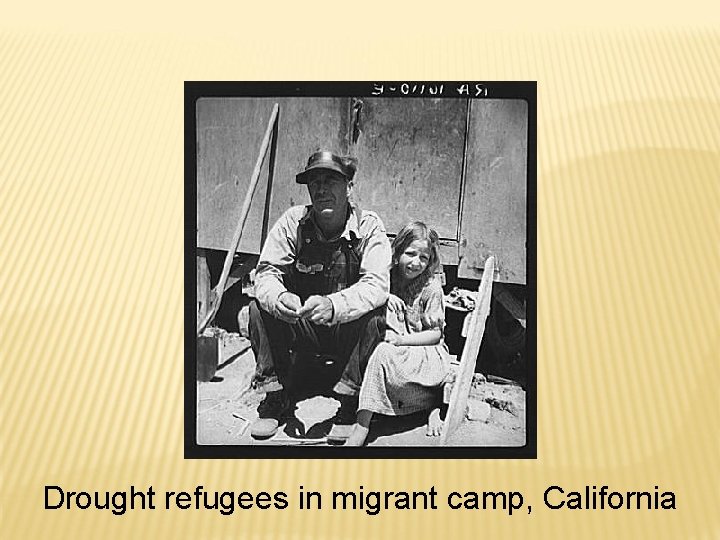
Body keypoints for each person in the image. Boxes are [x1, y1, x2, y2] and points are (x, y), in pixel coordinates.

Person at [246, 151, 391, 438]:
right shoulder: (293, 222)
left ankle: (351, 400)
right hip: (304, 325)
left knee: (376, 315)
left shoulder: (369, 226)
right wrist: (279, 299)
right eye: (315, 182)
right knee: (257, 307)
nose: (322, 189)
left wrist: (333, 305)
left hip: (344, 330)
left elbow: (376, 285)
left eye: (331, 181)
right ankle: (276, 396)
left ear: (349, 186)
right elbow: (265, 273)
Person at [346, 222, 451, 446]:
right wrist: (385, 296)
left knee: (382, 353)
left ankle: (361, 427)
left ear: (430, 260)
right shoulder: (388, 277)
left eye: (423, 258)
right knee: (372, 337)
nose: (416, 263)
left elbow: (434, 335)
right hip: (397, 347)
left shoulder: (431, 287)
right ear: (398, 251)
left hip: (425, 352)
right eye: (410, 254)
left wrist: (401, 340)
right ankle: (426, 404)